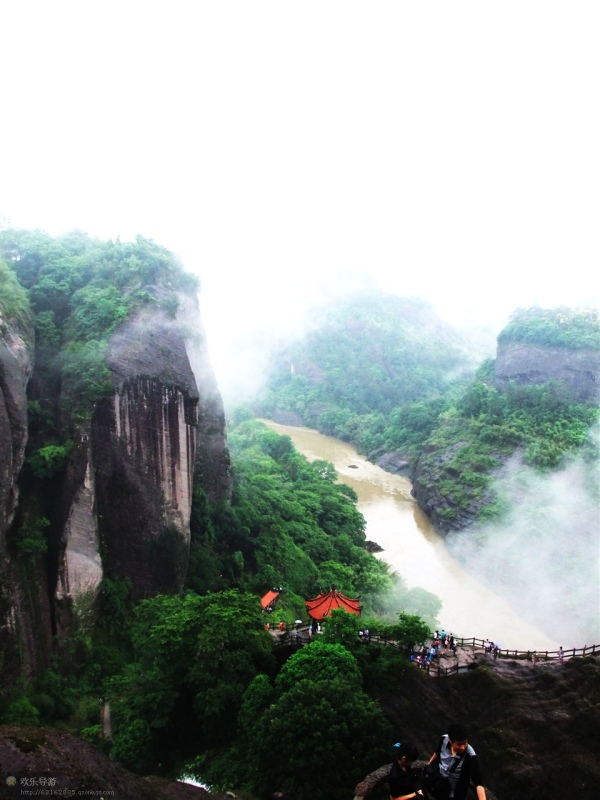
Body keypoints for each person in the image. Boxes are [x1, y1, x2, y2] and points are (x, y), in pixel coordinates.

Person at [426, 723, 486, 800]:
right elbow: (437, 752)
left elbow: (478, 782)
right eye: (459, 744)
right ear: (450, 741)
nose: (462, 747)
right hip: (439, 783)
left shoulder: (470, 755)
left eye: (465, 743)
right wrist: (429, 765)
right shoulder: (444, 739)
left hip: (454, 794)